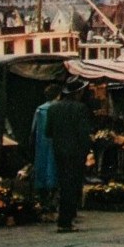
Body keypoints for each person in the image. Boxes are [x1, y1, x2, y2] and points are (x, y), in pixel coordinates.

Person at [45, 77, 93, 233]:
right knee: (72, 185)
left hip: (59, 151)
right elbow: (84, 134)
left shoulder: (53, 108)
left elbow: (48, 132)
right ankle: (66, 221)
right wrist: (86, 152)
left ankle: (65, 218)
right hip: (76, 153)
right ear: (78, 93)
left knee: (64, 184)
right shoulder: (80, 108)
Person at [29, 83, 61, 215]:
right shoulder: (58, 109)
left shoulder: (40, 109)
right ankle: (53, 202)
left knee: (42, 168)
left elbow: (33, 130)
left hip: (41, 144)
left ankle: (43, 202)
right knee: (54, 169)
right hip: (55, 143)